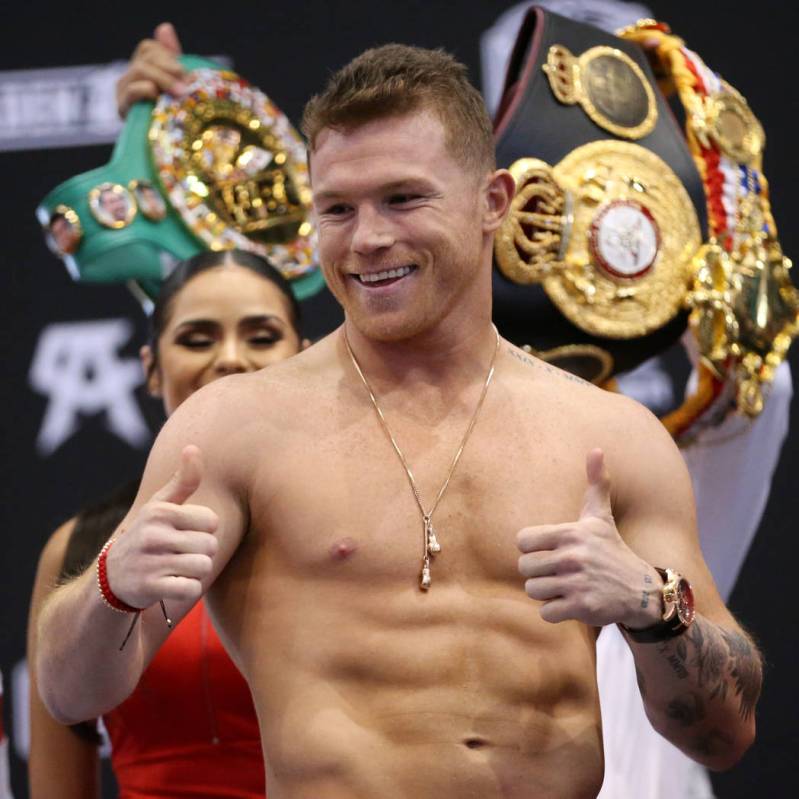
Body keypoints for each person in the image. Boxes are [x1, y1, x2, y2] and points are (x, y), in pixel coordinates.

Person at [37, 42, 762, 797]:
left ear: (493, 201)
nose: (367, 238)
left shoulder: (609, 437)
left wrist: (653, 607)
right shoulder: (234, 429)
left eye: (402, 198)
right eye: (337, 208)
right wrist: (110, 586)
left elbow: (723, 731)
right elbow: (68, 692)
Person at [27, 249, 307, 798]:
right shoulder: (81, 547)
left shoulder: (359, 528)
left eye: (261, 336)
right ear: (151, 368)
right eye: (197, 339)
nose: (230, 359)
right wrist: (112, 586)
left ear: (308, 358)